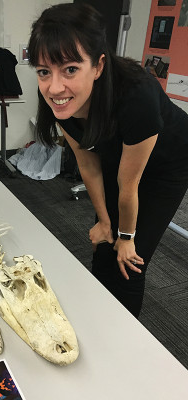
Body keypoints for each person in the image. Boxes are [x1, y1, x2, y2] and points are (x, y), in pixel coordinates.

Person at [27, 3, 188, 317]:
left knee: (129, 258)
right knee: (103, 242)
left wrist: (127, 237)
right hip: (122, 150)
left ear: (98, 66)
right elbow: (87, 164)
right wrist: (103, 221)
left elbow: (129, 185)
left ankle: (123, 338)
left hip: (168, 162)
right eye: (45, 71)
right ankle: (98, 315)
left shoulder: (136, 95)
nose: (55, 87)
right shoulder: (60, 102)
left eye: (70, 69)